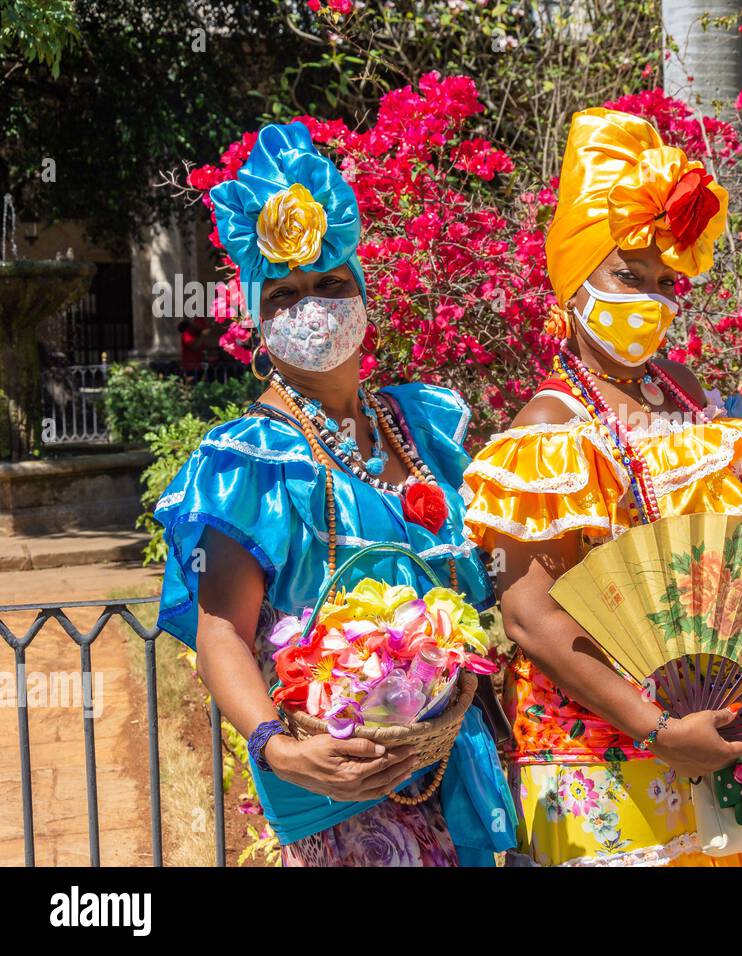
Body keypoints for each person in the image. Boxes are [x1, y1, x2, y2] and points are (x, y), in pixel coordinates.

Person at [462, 107, 742, 866]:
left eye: (667, 282)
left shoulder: (685, 395)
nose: (651, 300)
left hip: (716, 742)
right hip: (600, 760)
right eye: (629, 275)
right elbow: (530, 618)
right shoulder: (548, 426)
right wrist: (659, 729)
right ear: (575, 276)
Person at [153, 122, 515, 867]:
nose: (311, 307)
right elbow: (222, 632)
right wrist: (277, 748)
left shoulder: (420, 424)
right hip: (341, 792)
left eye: (329, 285)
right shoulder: (248, 458)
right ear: (257, 320)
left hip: (462, 760)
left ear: (364, 296)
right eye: (284, 294)